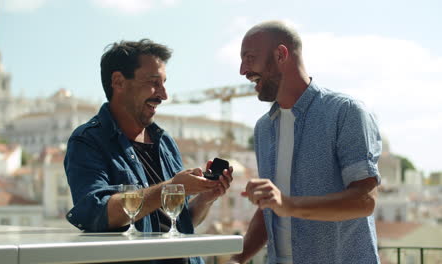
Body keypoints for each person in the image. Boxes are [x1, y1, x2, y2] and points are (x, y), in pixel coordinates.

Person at [64, 39, 233, 264]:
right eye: (154, 83)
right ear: (118, 82)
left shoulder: (165, 143)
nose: (164, 95)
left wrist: (205, 199)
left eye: (164, 83)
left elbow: (181, 222)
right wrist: (172, 188)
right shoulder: (87, 141)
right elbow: (98, 213)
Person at [228, 21, 382, 264]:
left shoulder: (345, 112)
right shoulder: (263, 128)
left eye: (249, 58)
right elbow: (272, 207)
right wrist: (238, 259)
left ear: (281, 54)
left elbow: (365, 201)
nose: (242, 70)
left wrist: (287, 205)